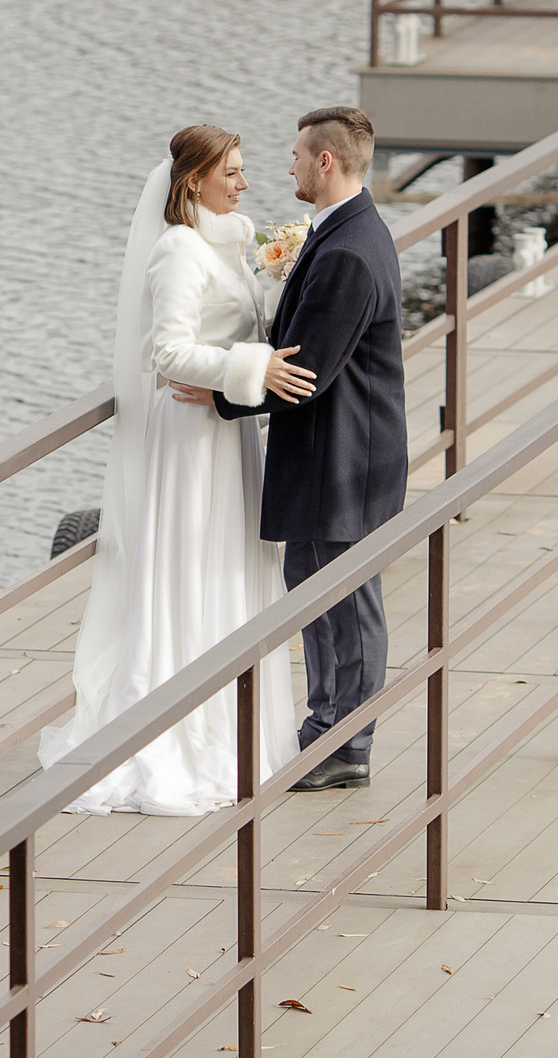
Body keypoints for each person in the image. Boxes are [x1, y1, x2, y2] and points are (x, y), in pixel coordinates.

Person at [41, 126, 305, 815]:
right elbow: (168, 353)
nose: (244, 183)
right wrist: (252, 369)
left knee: (230, 566)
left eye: (244, 171)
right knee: (190, 567)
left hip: (230, 432)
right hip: (189, 439)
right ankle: (178, 730)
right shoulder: (179, 250)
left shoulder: (226, 244)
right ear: (194, 180)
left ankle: (231, 723)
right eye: (232, 172)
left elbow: (239, 333)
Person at [180, 106, 404, 792]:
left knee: (347, 597)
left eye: (298, 156)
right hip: (334, 453)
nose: (290, 167)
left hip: (346, 460)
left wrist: (222, 393)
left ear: (326, 161)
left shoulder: (346, 251)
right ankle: (325, 723)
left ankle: (347, 741)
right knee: (316, 591)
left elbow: (303, 374)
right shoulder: (345, 231)